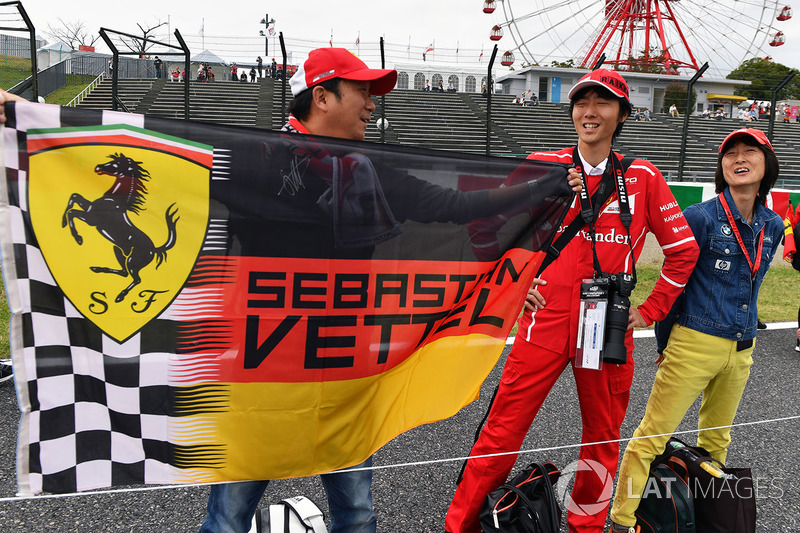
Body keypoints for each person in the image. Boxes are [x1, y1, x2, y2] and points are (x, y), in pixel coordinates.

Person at [197, 47, 583, 533]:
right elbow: (177, 191)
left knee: (357, 515)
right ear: (322, 96)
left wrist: (541, 189)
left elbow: (455, 207)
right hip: (263, 367)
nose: (372, 104)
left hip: (344, 365)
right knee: (229, 519)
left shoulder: (366, 168)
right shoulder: (256, 158)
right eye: (362, 92)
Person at [445, 69, 699, 533]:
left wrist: (650, 310)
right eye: (582, 102)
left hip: (606, 322)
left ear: (622, 114)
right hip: (545, 318)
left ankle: (587, 527)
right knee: (502, 431)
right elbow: (486, 228)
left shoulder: (642, 176)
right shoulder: (544, 165)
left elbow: (683, 251)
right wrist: (513, 287)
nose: (590, 111)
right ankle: (462, 526)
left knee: (602, 438)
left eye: (602, 103)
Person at [608, 127, 783, 532]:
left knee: (717, 442)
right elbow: (674, 282)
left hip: (742, 349)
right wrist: (667, 343)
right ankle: (621, 521)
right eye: (730, 154)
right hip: (694, 341)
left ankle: (707, 517)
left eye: (749, 152)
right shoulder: (700, 218)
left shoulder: (772, 224)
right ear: (722, 168)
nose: (739, 159)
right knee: (652, 436)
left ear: (766, 165)